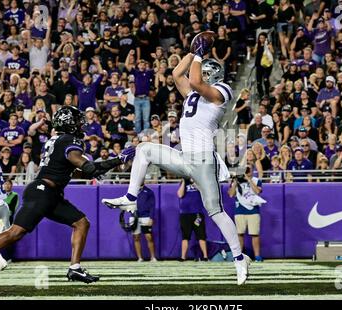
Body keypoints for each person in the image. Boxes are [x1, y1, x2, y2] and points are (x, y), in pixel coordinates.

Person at [102, 36, 251, 285]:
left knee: (215, 211)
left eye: (204, 70)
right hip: (185, 157)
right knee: (144, 149)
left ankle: (239, 259)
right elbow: (176, 73)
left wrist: (200, 56)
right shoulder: (193, 95)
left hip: (203, 161)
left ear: (212, 74)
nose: (200, 72)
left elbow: (193, 79)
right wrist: (193, 53)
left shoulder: (222, 91)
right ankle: (130, 198)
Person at [0, 106, 136, 287]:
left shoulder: (59, 141)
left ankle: (75, 267)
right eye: (78, 120)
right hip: (42, 191)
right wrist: (119, 159)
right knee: (15, 233)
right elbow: (89, 168)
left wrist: (101, 167)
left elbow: (80, 171)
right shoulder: (69, 141)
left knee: (81, 222)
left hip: (51, 193)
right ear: (69, 123)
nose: (81, 124)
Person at [228, 166, 265, 262]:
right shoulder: (236, 181)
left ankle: (257, 256)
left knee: (255, 234)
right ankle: (239, 257)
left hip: (253, 210)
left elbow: (257, 191)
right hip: (239, 210)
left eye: (248, 170)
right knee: (239, 234)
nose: (246, 172)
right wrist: (236, 181)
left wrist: (248, 179)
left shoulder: (256, 180)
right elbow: (231, 194)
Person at [177, 178, 208, 262]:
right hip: (185, 214)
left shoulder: (199, 181)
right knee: (185, 236)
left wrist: (194, 181)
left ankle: (205, 256)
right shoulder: (183, 183)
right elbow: (180, 195)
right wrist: (184, 181)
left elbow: (203, 191)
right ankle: (183, 257)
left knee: (201, 235)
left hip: (197, 213)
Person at [132, 183, 157, 262]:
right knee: (136, 237)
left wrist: (151, 217)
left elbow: (152, 205)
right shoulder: (132, 190)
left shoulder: (149, 191)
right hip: (134, 216)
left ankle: (152, 257)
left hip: (145, 216)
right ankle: (140, 258)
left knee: (149, 236)